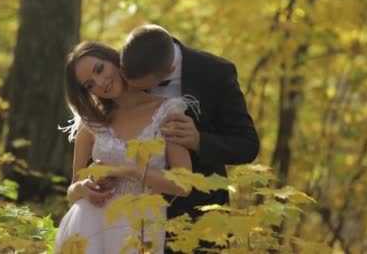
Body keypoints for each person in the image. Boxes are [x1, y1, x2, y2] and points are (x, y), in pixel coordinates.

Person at [120, 24, 260, 250]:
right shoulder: (127, 65)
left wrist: (199, 141)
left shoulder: (216, 73)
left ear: (166, 72)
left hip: (199, 215)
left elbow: (247, 145)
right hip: (130, 213)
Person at [54, 42, 198, 254]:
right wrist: (85, 187)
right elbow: (72, 189)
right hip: (87, 226)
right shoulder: (92, 122)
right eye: (89, 85)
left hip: (142, 224)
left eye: (99, 69)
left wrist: (126, 170)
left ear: (114, 59)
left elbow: (184, 185)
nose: (100, 82)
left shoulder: (167, 112)